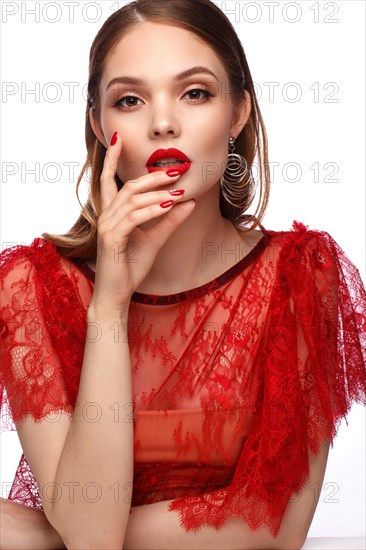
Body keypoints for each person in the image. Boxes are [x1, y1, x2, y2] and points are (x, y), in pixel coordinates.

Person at [1, 0, 365, 548]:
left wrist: (44, 538)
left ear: (239, 112)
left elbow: (274, 528)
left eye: (195, 92)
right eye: (129, 99)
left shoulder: (298, 274)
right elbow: (91, 533)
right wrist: (109, 306)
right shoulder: (28, 287)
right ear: (101, 126)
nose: (163, 122)